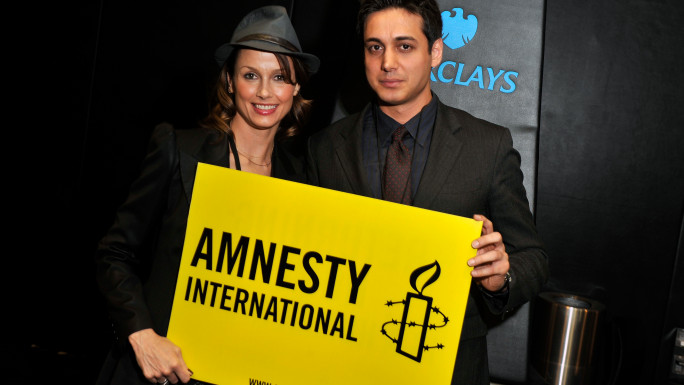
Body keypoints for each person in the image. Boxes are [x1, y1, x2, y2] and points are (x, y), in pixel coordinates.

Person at [305, 0, 548, 383]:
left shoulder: (488, 145)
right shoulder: (324, 147)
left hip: (449, 364)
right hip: (343, 361)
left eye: (404, 46)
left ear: (435, 52)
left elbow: (531, 256)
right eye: (375, 47)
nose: (388, 63)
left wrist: (501, 277)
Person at [95, 6, 319, 385]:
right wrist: (141, 335)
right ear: (230, 82)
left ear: (295, 87)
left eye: (279, 77)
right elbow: (113, 253)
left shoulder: (300, 181)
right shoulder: (178, 149)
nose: (265, 91)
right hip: (157, 375)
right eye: (251, 75)